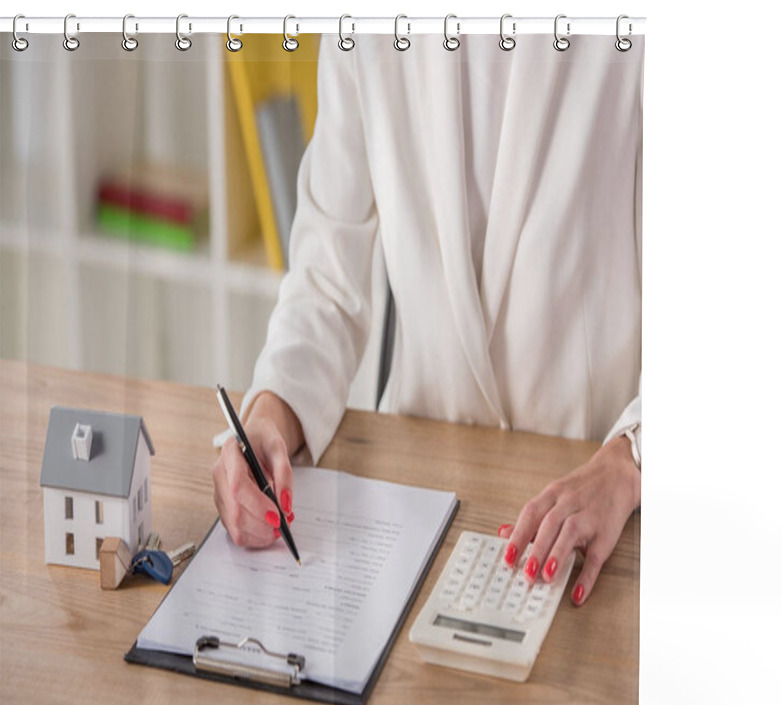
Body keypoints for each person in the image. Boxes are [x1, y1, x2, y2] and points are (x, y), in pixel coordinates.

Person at [213, 34, 643, 607]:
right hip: (414, 508)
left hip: (591, 515)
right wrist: (271, 412)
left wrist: (630, 460)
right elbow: (326, 283)